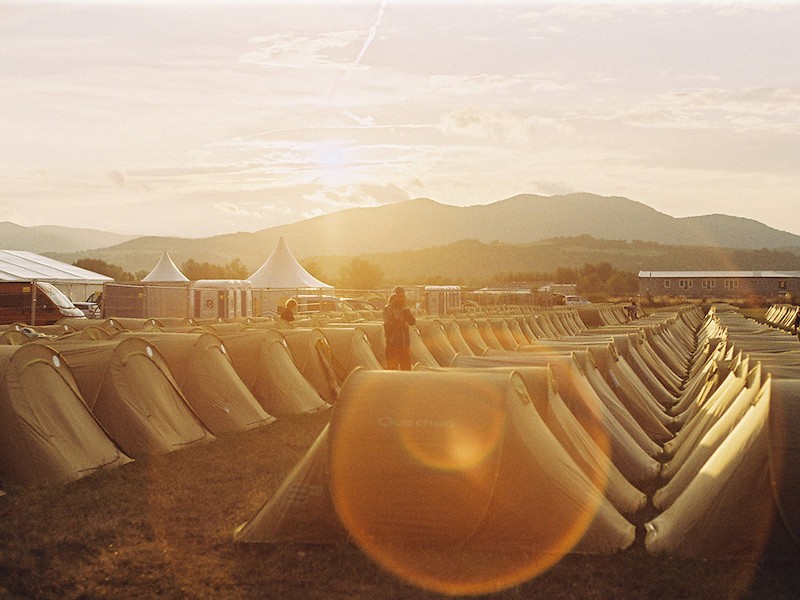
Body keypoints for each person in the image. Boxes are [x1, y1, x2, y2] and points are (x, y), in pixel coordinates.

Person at [383, 286, 416, 370]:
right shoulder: (388, 309)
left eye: (402, 296)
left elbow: (412, 322)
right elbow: (389, 326)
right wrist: (400, 322)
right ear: (394, 297)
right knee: (392, 371)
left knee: (406, 370)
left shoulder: (404, 309)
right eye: (399, 296)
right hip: (392, 345)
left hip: (404, 344)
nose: (401, 298)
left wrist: (406, 312)